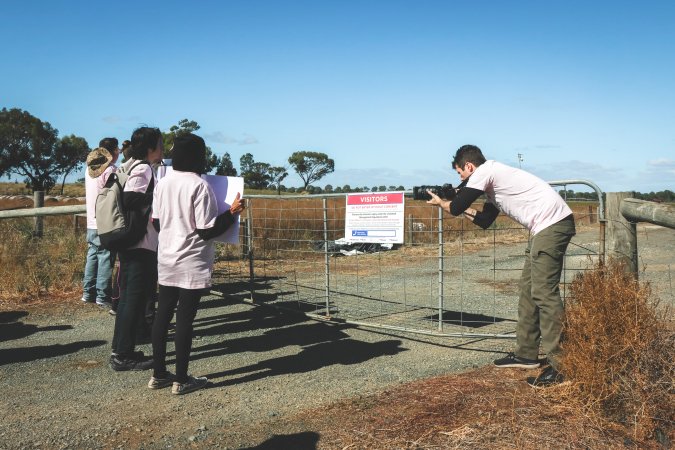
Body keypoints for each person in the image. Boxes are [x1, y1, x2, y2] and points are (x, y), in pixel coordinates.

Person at [426, 145, 576, 387]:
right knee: (528, 289)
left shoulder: (485, 172)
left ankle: (563, 366)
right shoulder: (494, 181)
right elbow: (485, 220)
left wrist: (445, 203)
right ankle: (526, 354)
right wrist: (455, 203)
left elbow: (455, 208)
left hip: (552, 226)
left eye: (460, 174)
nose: (461, 180)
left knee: (544, 294)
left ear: (469, 166)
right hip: (544, 228)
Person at [148, 133, 245, 395]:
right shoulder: (199, 186)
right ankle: (182, 379)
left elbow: (156, 222)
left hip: (166, 257)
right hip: (191, 260)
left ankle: (158, 374)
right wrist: (231, 213)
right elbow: (206, 230)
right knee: (185, 320)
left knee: (162, 315)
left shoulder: (163, 183)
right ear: (198, 157)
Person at [109, 127, 163, 372]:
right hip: (140, 243)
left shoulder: (130, 164)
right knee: (133, 299)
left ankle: (123, 350)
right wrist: (158, 196)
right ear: (150, 147)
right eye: (160, 144)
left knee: (128, 298)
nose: (162, 149)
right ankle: (123, 355)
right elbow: (131, 198)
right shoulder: (142, 168)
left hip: (131, 243)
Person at [82, 139, 120, 309]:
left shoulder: (88, 170)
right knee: (106, 258)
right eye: (117, 149)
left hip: (91, 221)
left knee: (92, 256)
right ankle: (102, 296)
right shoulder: (111, 170)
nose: (119, 152)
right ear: (112, 153)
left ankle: (87, 293)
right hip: (105, 222)